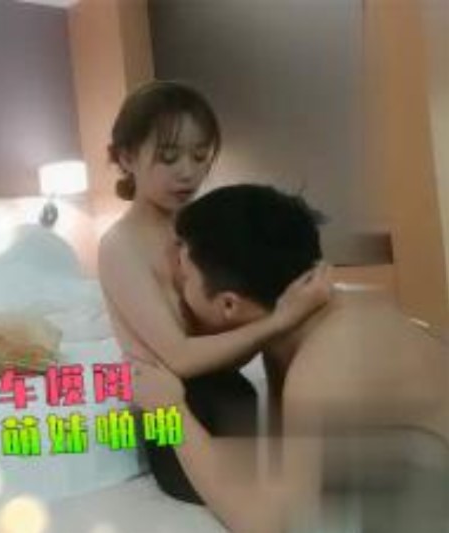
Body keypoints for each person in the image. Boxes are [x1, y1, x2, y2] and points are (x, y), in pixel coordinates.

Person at [135, 184, 449, 532]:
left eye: (184, 278)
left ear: (228, 304)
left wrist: (169, 412)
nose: (177, 292)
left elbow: (270, 525)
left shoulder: (326, 361)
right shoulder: (298, 325)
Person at [98, 80, 331, 503]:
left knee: (309, 476)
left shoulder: (203, 225)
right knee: (269, 495)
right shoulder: (120, 246)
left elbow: (234, 323)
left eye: (200, 155)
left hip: (230, 392)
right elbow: (180, 357)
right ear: (127, 158)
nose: (188, 172)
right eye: (169, 157)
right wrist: (281, 318)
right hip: (172, 411)